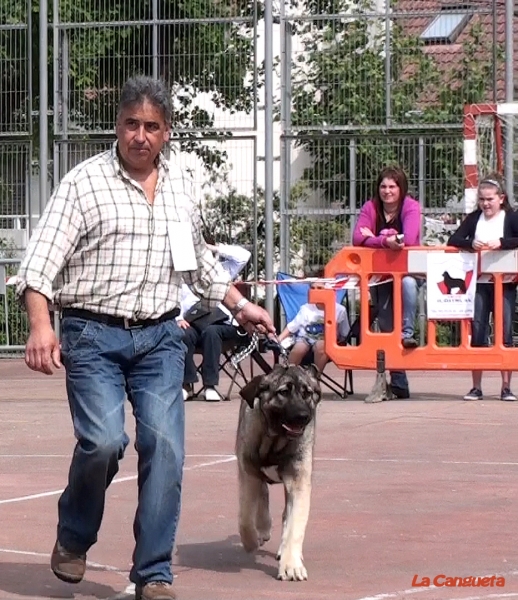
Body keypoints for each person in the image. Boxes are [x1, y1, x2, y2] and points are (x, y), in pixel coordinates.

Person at [15, 75, 275, 600]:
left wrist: (241, 305)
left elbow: (197, 260)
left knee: (166, 449)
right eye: (131, 124)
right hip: (92, 335)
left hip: (159, 337)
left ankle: (154, 573)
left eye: (151, 127)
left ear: (167, 132)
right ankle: (73, 537)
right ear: (117, 126)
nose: (140, 136)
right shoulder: (85, 183)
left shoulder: (182, 182)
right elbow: (37, 267)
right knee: (105, 442)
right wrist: (41, 325)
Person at [352, 165, 422, 399]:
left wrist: (375, 236)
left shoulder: (411, 207)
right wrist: (386, 241)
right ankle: (398, 381)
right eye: (383, 186)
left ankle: (407, 333)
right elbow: (357, 237)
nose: (387, 191)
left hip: (407, 272)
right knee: (385, 324)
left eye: (392, 186)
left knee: (408, 285)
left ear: (401, 188)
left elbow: (409, 239)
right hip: (380, 276)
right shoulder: (370, 207)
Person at [448, 173, 518, 402]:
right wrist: (471, 244)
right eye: (482, 199)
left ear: (501, 198)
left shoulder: (511, 217)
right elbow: (454, 239)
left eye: (490, 199)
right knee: (478, 331)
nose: (486, 204)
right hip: (479, 284)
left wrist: (503, 243)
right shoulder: (474, 218)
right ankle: (476, 387)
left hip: (505, 284)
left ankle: (506, 387)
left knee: (504, 332)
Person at [178, 242, 251, 401]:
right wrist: (179, 319)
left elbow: (243, 256)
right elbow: (176, 302)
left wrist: (214, 248)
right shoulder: (182, 278)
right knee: (184, 333)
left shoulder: (221, 271)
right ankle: (186, 384)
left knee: (211, 332)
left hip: (222, 325)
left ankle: (210, 385)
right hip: (194, 323)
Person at [277, 283, 350, 372]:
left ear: (329, 291)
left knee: (322, 346)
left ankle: (315, 377)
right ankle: (289, 376)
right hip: (305, 338)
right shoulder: (306, 308)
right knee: (298, 349)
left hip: (326, 342)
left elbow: (345, 333)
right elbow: (292, 326)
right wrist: (278, 339)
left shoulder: (339, 310)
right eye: (312, 288)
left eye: (319, 288)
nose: (315, 291)